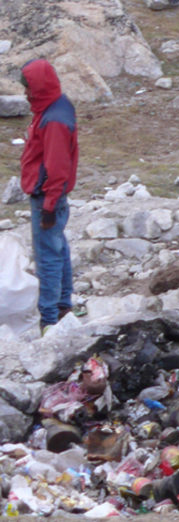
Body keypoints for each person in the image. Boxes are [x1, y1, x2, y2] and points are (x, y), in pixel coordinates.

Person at [19, 59, 78, 332]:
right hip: (51, 194)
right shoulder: (55, 106)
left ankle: (50, 319)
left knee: (48, 256)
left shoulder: (53, 119)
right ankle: (64, 305)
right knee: (58, 247)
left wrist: (49, 206)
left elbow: (57, 167)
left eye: (28, 87)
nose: (26, 93)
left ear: (37, 86)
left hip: (47, 196)